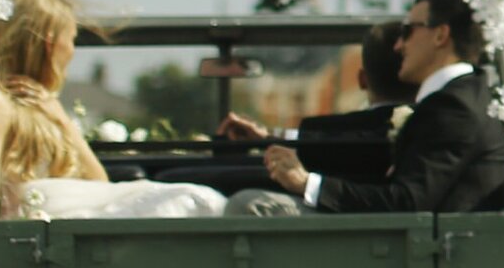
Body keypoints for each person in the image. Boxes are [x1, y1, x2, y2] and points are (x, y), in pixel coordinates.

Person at [0, 0, 222, 220]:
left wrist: (60, 119)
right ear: (50, 43)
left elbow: (99, 182)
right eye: (71, 39)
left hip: (68, 219)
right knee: (183, 201)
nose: (72, 51)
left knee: (190, 200)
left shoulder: (46, 108)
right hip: (36, 226)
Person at [254, 0, 504, 214]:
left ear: (440, 35)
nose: (398, 46)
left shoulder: (455, 107)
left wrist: (306, 184)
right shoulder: (467, 96)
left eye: (408, 31)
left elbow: (407, 201)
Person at [165, 20, 414, 197]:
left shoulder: (409, 127)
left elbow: (347, 143)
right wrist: (269, 138)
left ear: (361, 79)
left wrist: (273, 141)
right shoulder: (410, 125)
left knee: (179, 177)